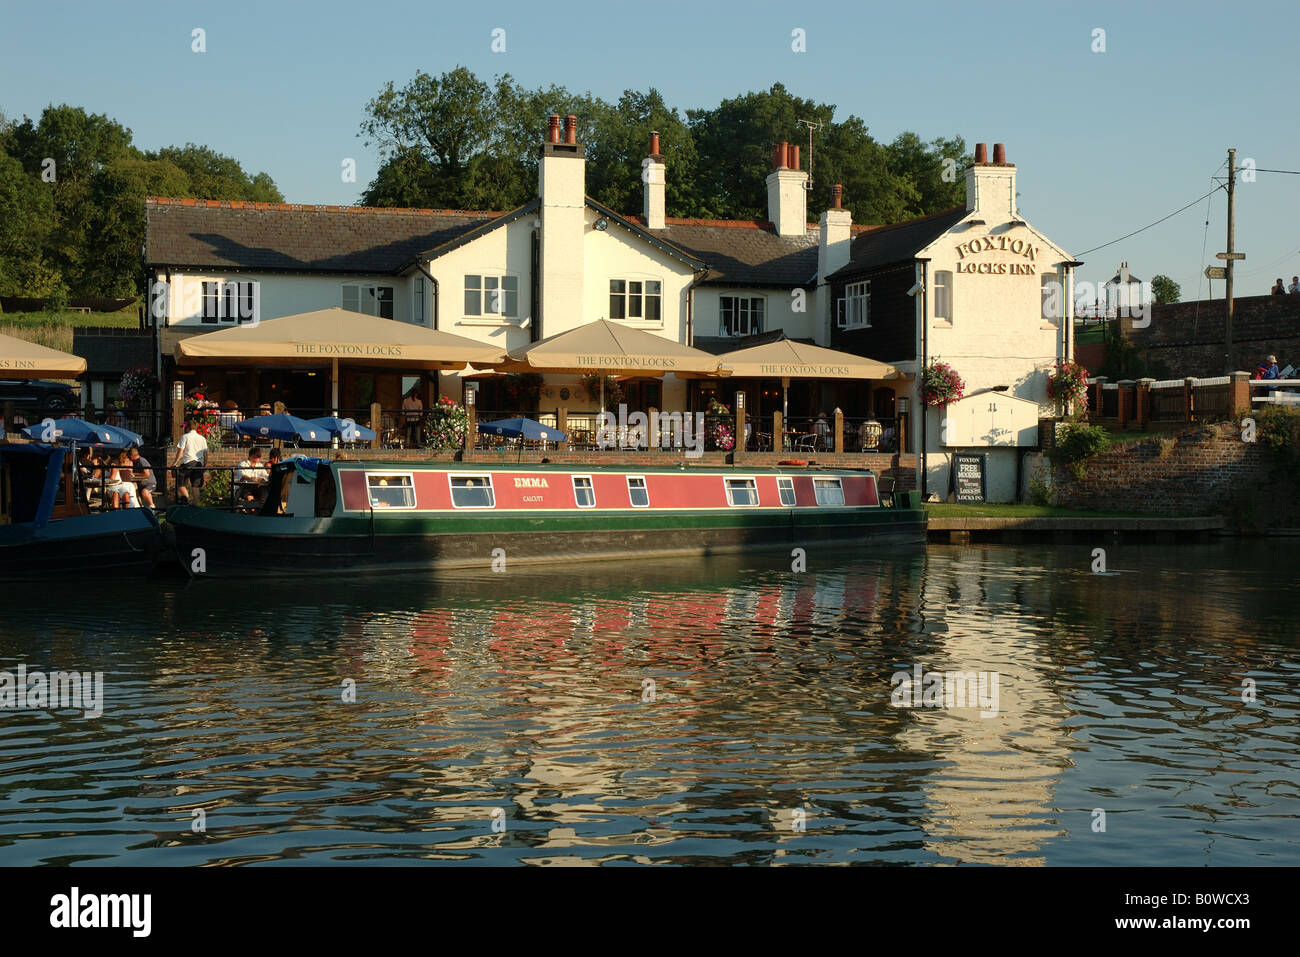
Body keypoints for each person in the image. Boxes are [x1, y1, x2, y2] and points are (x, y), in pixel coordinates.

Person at [170, 420, 208, 504]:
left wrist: (175, 463)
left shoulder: (185, 437)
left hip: (187, 463)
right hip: (198, 464)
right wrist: (205, 465)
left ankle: (187, 500)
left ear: (187, 427)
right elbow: (205, 453)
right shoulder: (202, 438)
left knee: (180, 484)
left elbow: (180, 452)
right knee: (195, 486)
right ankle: (195, 504)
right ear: (196, 427)